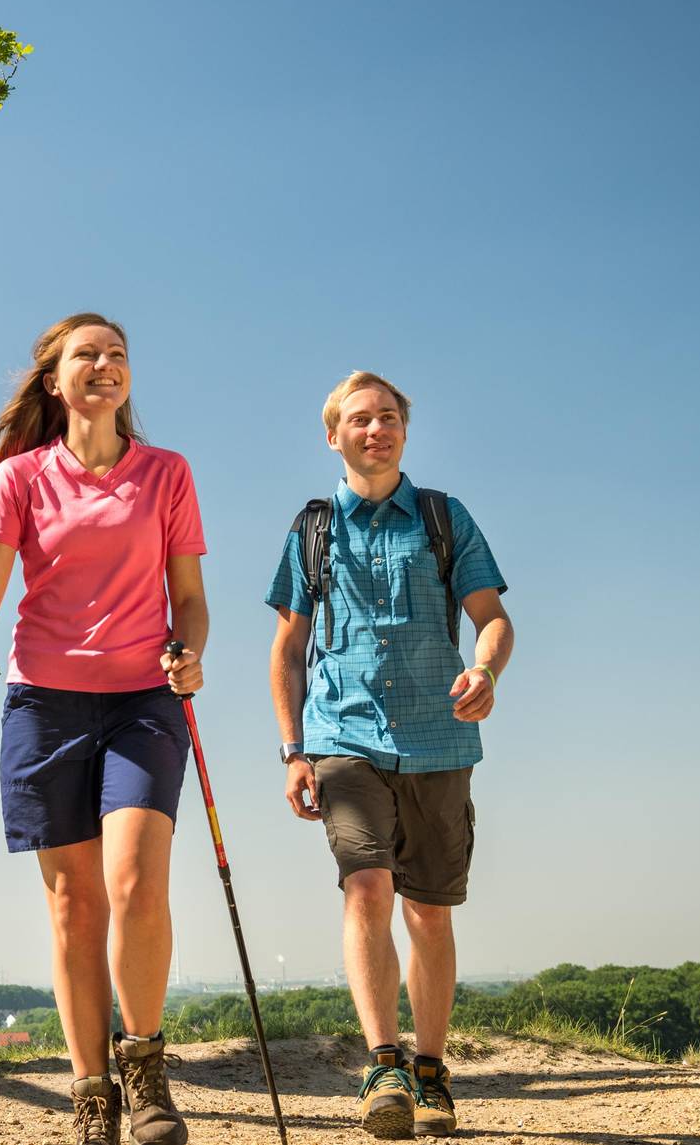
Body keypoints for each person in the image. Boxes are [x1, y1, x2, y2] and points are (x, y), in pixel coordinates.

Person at [0, 312, 207, 1145]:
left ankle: (146, 1066)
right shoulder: (19, 479)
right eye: (86, 355)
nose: (105, 364)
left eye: (118, 354)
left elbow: (188, 598)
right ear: (55, 381)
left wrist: (189, 652)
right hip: (44, 704)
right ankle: (91, 1087)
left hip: (142, 700)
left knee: (134, 882)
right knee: (74, 906)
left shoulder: (167, 473)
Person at [265, 371, 514, 1139]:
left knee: (429, 913)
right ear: (332, 434)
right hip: (342, 738)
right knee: (366, 887)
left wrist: (485, 667)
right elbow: (288, 649)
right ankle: (383, 1065)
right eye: (361, 419)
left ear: (404, 429)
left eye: (390, 417)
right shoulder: (312, 528)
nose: (378, 429)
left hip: (439, 740)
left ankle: (431, 1070)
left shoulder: (443, 517)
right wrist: (293, 750)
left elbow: (493, 618)